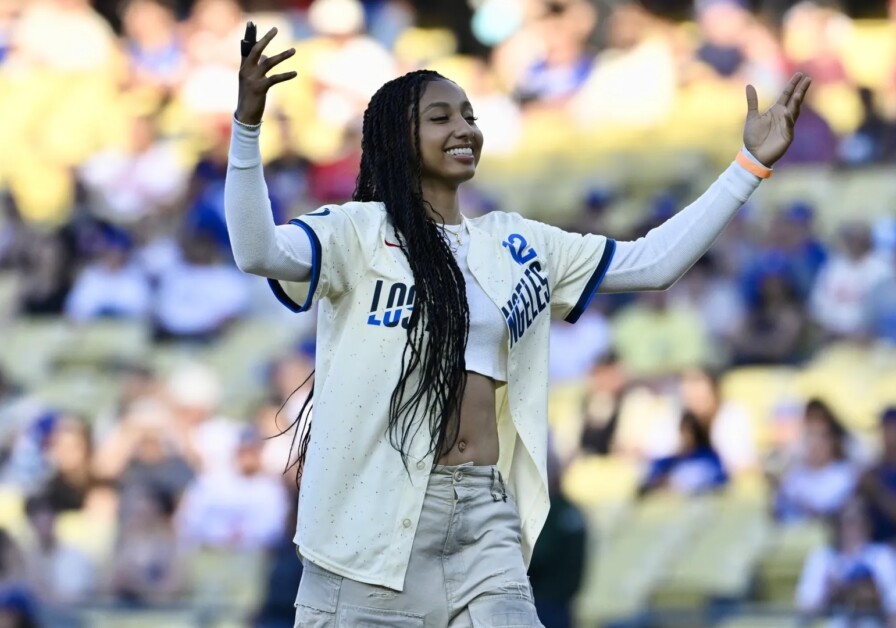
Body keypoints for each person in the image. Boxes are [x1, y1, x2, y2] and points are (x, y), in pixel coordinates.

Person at [224, 23, 810, 627]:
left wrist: (747, 167)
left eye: (470, 114)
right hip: (368, 526)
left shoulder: (517, 244)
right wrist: (247, 129)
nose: (464, 128)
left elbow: (653, 262)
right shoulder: (355, 232)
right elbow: (257, 252)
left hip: (482, 513)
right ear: (398, 139)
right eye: (441, 117)